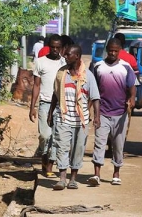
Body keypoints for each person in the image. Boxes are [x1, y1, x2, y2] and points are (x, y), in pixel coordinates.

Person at [47, 45, 100, 190]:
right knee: (62, 147)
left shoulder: (88, 76)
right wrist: (50, 113)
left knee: (78, 149)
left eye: (68, 54)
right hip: (63, 117)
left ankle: (73, 179)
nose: (65, 56)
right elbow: (55, 94)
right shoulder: (61, 73)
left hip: (80, 120)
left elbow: (95, 98)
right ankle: (62, 179)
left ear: (77, 56)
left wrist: (97, 117)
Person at [89, 38, 136, 187]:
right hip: (102, 112)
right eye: (111, 50)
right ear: (107, 50)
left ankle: (116, 173)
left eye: (116, 51)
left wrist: (132, 99)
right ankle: (96, 174)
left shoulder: (125, 67)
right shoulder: (98, 67)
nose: (113, 53)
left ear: (120, 50)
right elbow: (92, 89)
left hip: (120, 113)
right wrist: (90, 110)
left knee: (118, 145)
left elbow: (132, 87)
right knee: (99, 143)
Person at [30, 34, 65, 178]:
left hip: (60, 105)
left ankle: (49, 166)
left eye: (58, 47)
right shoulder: (40, 62)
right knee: (45, 135)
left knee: (56, 137)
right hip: (45, 104)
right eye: (53, 47)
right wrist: (32, 106)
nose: (55, 50)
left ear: (61, 48)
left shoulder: (64, 63)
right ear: (48, 47)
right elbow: (36, 85)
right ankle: (44, 157)